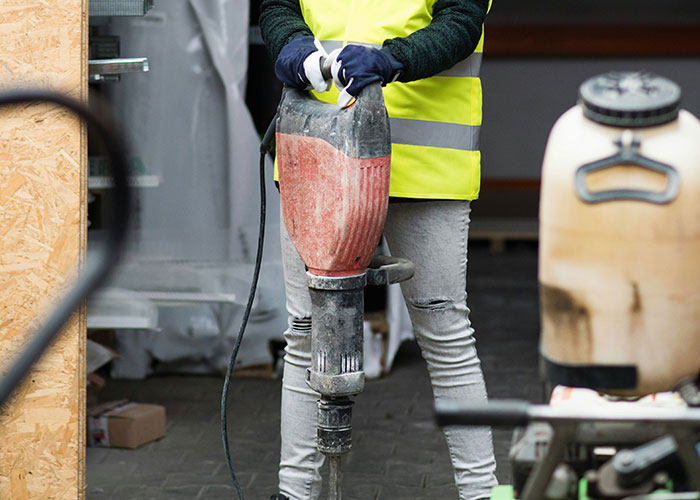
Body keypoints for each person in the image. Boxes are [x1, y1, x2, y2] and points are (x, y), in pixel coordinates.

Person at [259, 1, 497, 499]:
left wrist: (394, 59)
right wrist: (292, 46)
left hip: (422, 165)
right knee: (305, 335)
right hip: (319, 154)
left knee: (444, 331)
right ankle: (293, 492)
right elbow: (278, 6)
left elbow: (461, 19)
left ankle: (482, 493)